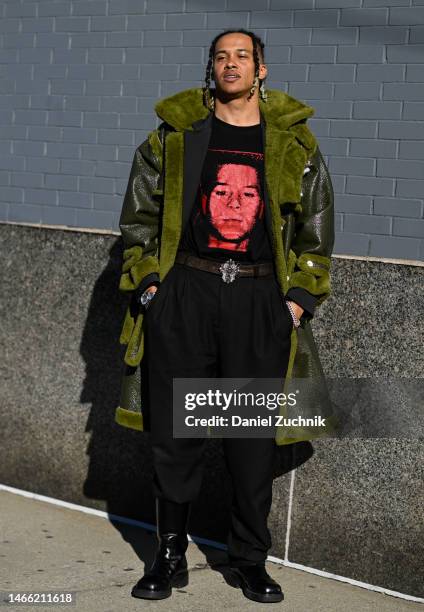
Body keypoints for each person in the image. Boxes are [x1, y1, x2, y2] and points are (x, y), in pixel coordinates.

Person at [116, 28, 335, 604]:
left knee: (250, 439)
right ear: (210, 68)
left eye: (243, 56)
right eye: (221, 56)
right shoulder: (177, 134)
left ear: (261, 70)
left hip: (259, 302)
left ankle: (249, 560)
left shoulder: (292, 141)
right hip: (185, 293)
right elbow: (139, 215)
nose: (231, 64)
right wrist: (150, 285)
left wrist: (299, 298)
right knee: (175, 435)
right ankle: (168, 556)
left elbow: (316, 226)